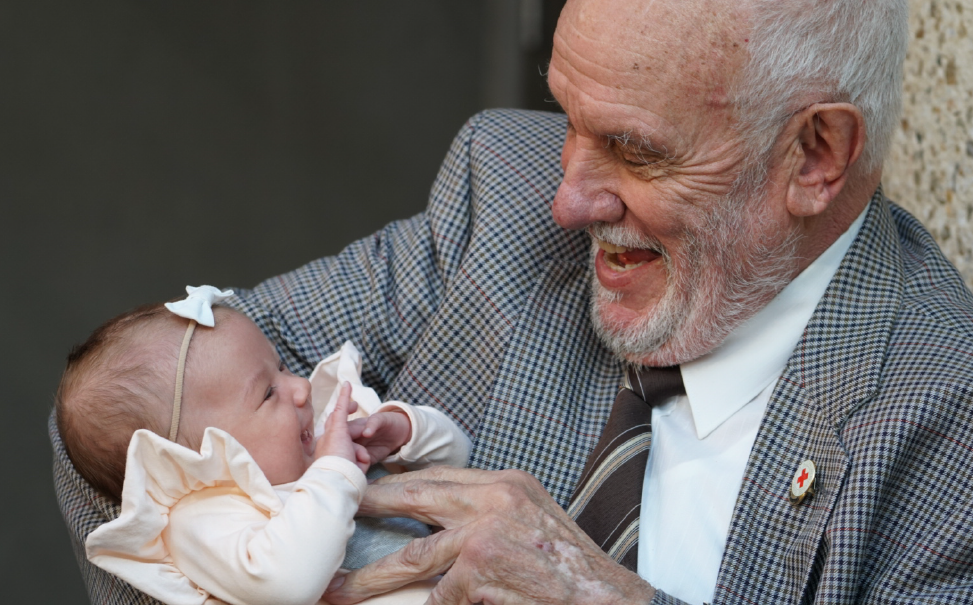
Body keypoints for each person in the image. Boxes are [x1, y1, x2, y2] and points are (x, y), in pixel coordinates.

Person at [51, 0, 973, 602]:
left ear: (814, 155)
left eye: (634, 149)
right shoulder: (501, 194)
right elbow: (128, 430)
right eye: (568, 118)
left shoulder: (942, 413)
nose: (566, 199)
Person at [56, 287, 471, 605]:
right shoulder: (204, 516)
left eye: (282, 366)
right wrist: (334, 474)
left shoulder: (327, 433)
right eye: (268, 393)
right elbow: (287, 585)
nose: (301, 387)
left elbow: (461, 466)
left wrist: (406, 431)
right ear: (192, 461)